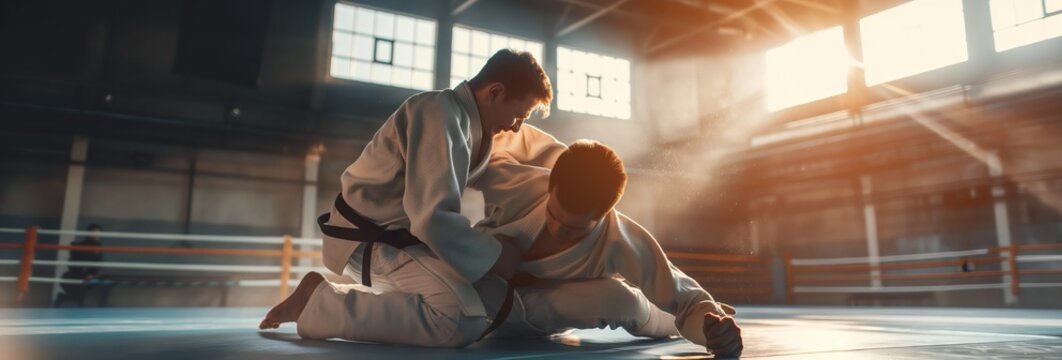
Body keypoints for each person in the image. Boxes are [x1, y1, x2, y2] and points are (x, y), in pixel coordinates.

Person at [260, 49, 553, 348]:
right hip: (368, 240)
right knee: (460, 318)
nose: (517, 126)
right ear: (495, 92)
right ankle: (319, 303)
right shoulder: (439, 113)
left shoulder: (468, 124)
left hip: (400, 243)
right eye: (519, 115)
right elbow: (431, 218)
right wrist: (494, 255)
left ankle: (325, 297)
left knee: (487, 299)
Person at [471, 126, 744, 357]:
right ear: (551, 185)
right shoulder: (516, 182)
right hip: (479, 289)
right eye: (553, 214)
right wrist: (487, 250)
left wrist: (711, 328)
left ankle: (670, 322)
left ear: (603, 214)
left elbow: (687, 299)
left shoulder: (621, 240)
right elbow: (492, 135)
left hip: (549, 311)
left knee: (622, 301)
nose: (558, 231)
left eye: (574, 229)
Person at [54, 224, 104, 307]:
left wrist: (91, 274)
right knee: (78, 296)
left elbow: (97, 264)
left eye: (98, 233)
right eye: (93, 232)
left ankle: (62, 298)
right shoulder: (80, 246)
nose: (96, 235)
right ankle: (62, 298)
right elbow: (73, 263)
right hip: (74, 276)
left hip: (87, 278)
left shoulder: (99, 248)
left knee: (80, 296)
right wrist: (84, 275)